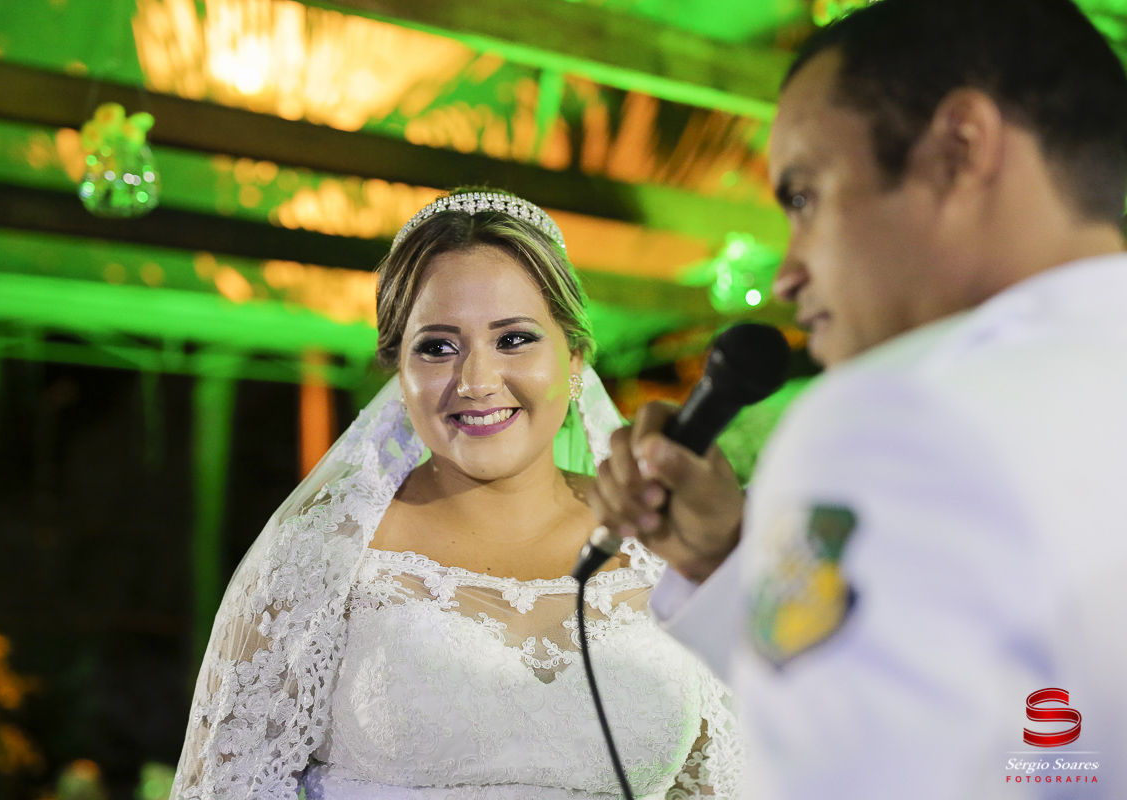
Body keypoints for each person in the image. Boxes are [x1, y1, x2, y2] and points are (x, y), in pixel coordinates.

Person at [590, 0, 1127, 797]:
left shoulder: (892, 418)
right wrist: (731, 561)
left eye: (803, 197)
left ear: (959, 149)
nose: (787, 273)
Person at [169, 189, 745, 800]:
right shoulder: (319, 557)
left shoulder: (668, 543)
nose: (475, 382)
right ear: (399, 372)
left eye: (515, 339)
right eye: (438, 347)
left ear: (574, 356)